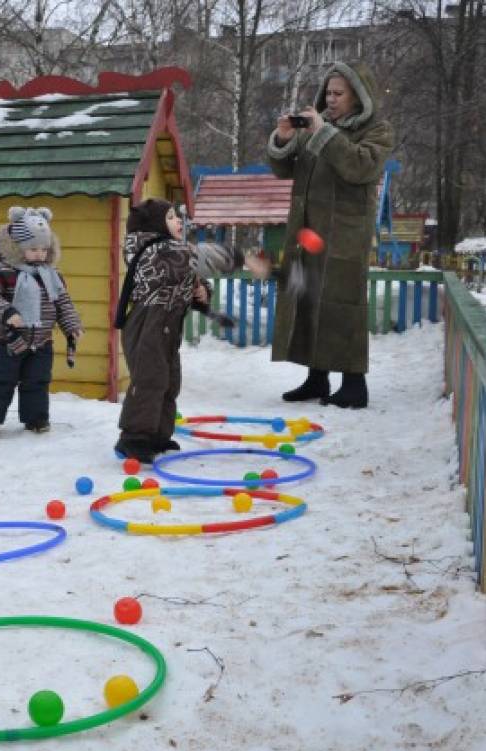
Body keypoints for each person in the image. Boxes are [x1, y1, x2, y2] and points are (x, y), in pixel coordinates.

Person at [266, 61, 395, 409]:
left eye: (339, 93)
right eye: (328, 93)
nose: (331, 99)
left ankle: (354, 383)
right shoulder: (316, 128)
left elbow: (360, 165)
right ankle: (316, 378)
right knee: (307, 300)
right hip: (307, 232)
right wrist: (284, 139)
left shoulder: (377, 130)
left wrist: (323, 132)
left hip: (345, 234)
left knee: (343, 304)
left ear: (358, 96)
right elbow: (283, 170)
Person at [114, 198, 263, 463]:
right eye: (171, 217)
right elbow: (195, 257)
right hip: (146, 326)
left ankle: (157, 435)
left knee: (169, 381)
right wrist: (242, 258)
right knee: (150, 380)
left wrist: (203, 292)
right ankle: (133, 439)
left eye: (177, 216)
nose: (178, 222)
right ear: (154, 225)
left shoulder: (170, 252)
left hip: (166, 327)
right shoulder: (155, 250)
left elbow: (189, 279)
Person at [0, 206, 83, 436]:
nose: (40, 254)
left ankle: (36, 419)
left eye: (44, 249)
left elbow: (62, 302)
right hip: (8, 341)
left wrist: (71, 326)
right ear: (17, 246)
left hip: (42, 341)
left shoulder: (51, 275)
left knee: (37, 381)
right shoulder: (1, 272)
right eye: (33, 248)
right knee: (1, 381)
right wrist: (7, 312)